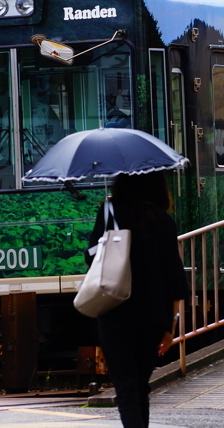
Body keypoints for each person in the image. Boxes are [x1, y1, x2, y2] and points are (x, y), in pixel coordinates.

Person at [86, 172, 188, 428]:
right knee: (141, 386)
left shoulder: (110, 212)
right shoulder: (164, 221)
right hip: (154, 317)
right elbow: (174, 276)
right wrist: (171, 326)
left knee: (126, 388)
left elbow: (91, 257)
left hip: (114, 311)